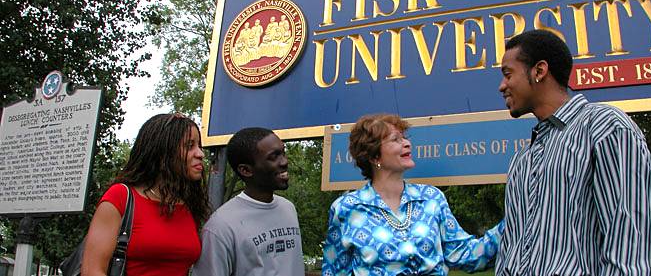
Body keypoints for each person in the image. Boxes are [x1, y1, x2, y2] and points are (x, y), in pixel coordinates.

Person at [495, 29, 651, 275]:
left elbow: (632, 247)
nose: (502, 86)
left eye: (508, 74)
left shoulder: (604, 127)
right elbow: (510, 251)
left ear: (539, 71)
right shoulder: (522, 160)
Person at [322, 114, 504, 276]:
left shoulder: (432, 198)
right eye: (396, 139)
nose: (407, 143)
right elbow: (334, 270)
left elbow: (463, 254)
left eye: (405, 138)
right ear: (374, 156)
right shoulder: (346, 208)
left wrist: (513, 222)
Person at [81, 113, 210, 276]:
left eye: (199, 146)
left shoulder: (189, 205)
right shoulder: (120, 197)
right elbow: (92, 270)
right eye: (189, 146)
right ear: (163, 152)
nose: (200, 154)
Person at [192, 127, 304, 276]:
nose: (284, 162)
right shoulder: (220, 227)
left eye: (283, 153)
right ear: (246, 170)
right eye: (273, 157)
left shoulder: (288, 208)